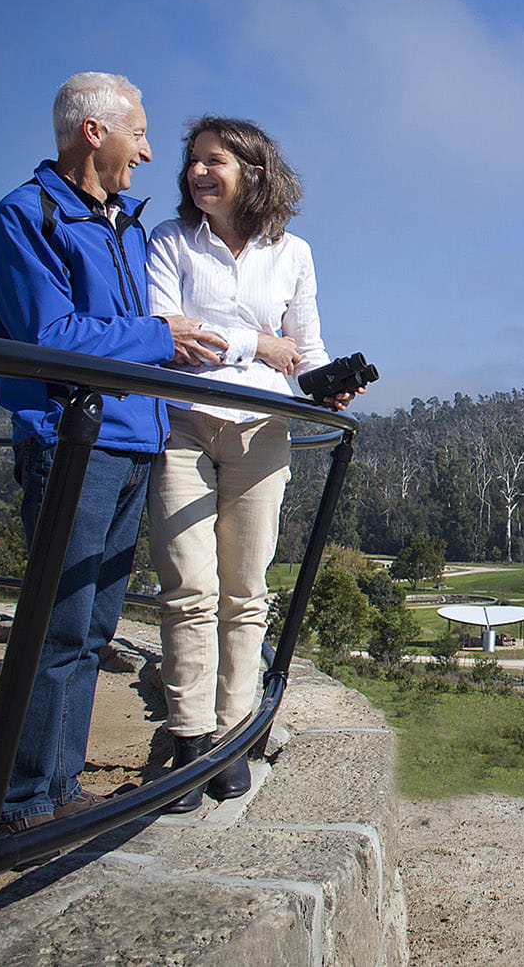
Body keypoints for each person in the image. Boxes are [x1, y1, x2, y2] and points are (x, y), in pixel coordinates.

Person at [0, 72, 227, 836]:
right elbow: (49, 337)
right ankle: (21, 804)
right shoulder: (27, 217)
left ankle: (58, 790)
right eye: (140, 134)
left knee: (92, 630)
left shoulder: (121, 226)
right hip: (71, 446)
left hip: (133, 447)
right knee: (56, 627)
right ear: (95, 132)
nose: (150, 152)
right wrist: (164, 336)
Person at [145, 116, 357, 811]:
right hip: (183, 423)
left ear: (254, 173)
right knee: (188, 584)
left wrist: (327, 382)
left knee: (245, 591)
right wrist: (258, 347)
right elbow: (171, 338)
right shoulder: (170, 243)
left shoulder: (293, 253)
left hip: (263, 429)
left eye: (215, 162)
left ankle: (234, 737)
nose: (198, 173)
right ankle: (188, 737)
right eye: (193, 162)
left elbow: (306, 348)